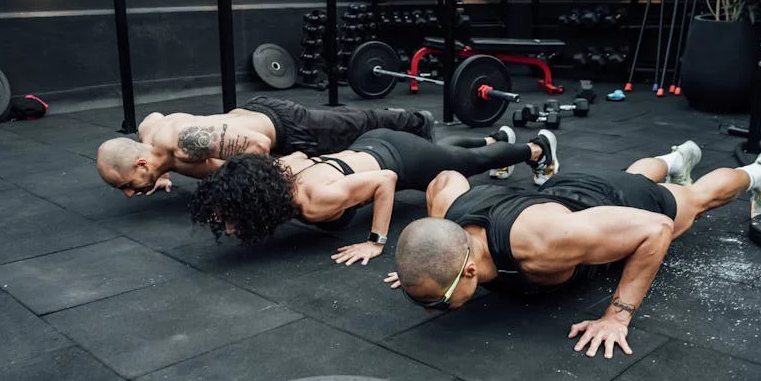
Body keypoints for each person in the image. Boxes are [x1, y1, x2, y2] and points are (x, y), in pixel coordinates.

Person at [388, 141, 761, 359]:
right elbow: (445, 178)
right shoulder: (450, 217)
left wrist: (617, 317)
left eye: (437, 301)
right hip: (566, 195)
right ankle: (676, 157)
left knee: (695, 200)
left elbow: (657, 230)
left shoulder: (540, 244)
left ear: (470, 270)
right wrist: (424, 265)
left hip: (620, 203)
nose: (430, 310)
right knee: (632, 173)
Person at [188, 128, 560, 266]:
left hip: (398, 159)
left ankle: (537, 149)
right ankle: (495, 138)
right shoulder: (279, 171)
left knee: (468, 163)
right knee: (445, 153)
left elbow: (386, 180)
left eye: (232, 219)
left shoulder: (314, 200)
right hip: (370, 144)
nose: (230, 228)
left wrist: (376, 242)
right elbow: (299, 155)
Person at [95, 96, 434, 197]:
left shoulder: (183, 143)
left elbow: (258, 144)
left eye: (126, 185)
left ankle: (418, 121)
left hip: (284, 127)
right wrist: (161, 174)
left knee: (353, 125)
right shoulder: (149, 136)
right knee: (347, 123)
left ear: (141, 163)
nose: (130, 193)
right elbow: (153, 117)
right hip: (255, 116)